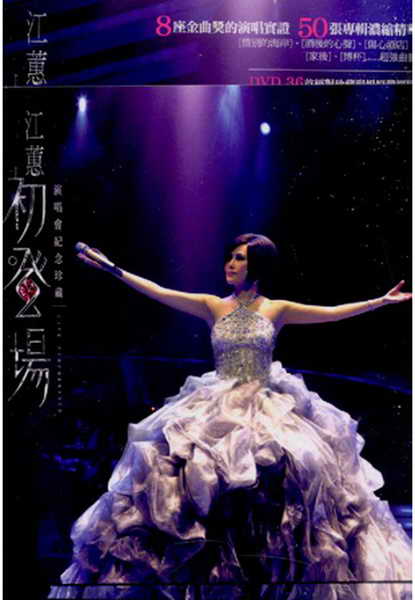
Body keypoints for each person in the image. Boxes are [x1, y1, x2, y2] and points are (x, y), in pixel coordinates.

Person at [49, 233, 412, 600]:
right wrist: (113, 269)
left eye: (240, 258)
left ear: (258, 266)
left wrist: (380, 301)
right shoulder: (212, 305)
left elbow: (332, 313)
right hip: (216, 404)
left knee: (292, 476)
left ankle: (267, 578)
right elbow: (160, 291)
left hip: (265, 404)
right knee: (187, 478)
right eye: (231, 257)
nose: (231, 264)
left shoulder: (277, 309)